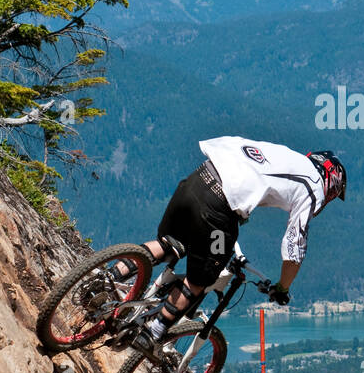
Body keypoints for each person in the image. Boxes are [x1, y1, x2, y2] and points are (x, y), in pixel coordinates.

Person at [119, 136, 346, 342]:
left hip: (197, 180)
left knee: (169, 244)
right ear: (331, 182)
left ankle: (109, 276)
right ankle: (153, 332)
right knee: (203, 277)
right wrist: (282, 288)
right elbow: (294, 247)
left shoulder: (288, 156)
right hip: (218, 210)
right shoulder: (313, 187)